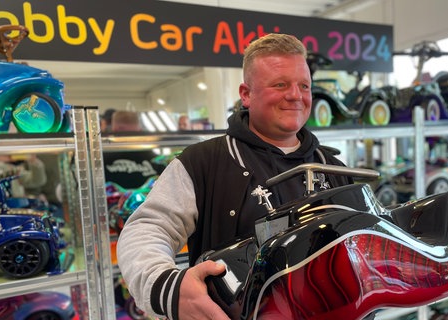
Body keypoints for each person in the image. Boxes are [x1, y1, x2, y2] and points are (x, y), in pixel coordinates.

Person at [117, 33, 353, 320]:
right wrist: (172, 289)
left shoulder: (334, 166)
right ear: (246, 94)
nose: (295, 95)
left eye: (304, 85)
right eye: (280, 84)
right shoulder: (201, 162)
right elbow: (146, 231)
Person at [103, 110, 166, 189]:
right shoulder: (103, 159)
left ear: (114, 129)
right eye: (125, 134)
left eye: (133, 135)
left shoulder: (156, 160)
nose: (129, 139)